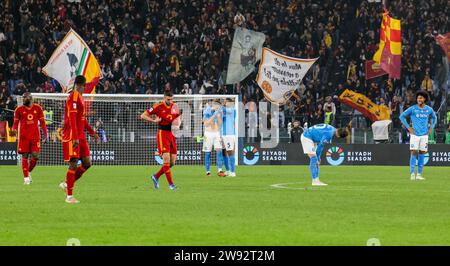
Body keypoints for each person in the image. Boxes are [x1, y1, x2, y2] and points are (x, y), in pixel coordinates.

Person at [60, 75, 99, 204]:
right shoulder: (73, 97)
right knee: (73, 163)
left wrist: (92, 133)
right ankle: (69, 196)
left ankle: (67, 184)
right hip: (72, 135)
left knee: (87, 163)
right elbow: (72, 118)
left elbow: (82, 118)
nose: (85, 88)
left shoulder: (80, 98)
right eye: (85, 86)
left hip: (80, 135)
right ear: (81, 85)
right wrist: (75, 137)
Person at [141, 90, 182, 190]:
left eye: (172, 99)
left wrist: (178, 124)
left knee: (172, 163)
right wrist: (153, 120)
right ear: (164, 98)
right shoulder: (157, 106)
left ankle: (155, 176)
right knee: (166, 160)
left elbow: (178, 116)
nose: (171, 101)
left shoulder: (175, 106)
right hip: (162, 134)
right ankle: (171, 185)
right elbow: (143, 115)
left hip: (171, 134)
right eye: (168, 99)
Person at [10, 92, 47, 185]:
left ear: (30, 99)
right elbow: (15, 123)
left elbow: (42, 123)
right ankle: (26, 178)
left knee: (36, 156)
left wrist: (45, 134)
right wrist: (14, 130)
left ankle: (29, 172)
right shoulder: (18, 110)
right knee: (25, 156)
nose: (23, 100)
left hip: (35, 137)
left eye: (25, 98)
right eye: (23, 98)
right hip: (23, 137)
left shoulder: (38, 108)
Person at [399, 91, 437, 181]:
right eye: (418, 98)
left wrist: (431, 127)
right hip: (415, 135)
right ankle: (412, 174)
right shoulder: (413, 108)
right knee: (413, 152)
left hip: (424, 135)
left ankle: (419, 174)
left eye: (421, 98)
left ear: (424, 99)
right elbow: (402, 116)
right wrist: (409, 128)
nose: (419, 99)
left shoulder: (429, 109)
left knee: (422, 153)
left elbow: (434, 118)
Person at [202, 99, 225, 177]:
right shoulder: (207, 111)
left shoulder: (220, 112)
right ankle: (208, 171)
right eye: (216, 105)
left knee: (219, 151)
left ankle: (220, 170)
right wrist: (214, 115)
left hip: (217, 133)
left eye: (219, 105)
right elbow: (205, 123)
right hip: (208, 134)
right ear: (213, 105)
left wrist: (218, 116)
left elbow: (220, 123)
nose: (218, 107)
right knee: (207, 153)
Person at [221, 98, 237, 177]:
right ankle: (227, 170)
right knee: (224, 152)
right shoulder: (224, 111)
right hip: (223, 134)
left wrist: (219, 106)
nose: (224, 103)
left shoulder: (232, 109)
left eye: (226, 102)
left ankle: (233, 172)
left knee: (230, 152)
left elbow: (225, 110)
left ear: (231, 103)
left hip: (229, 134)